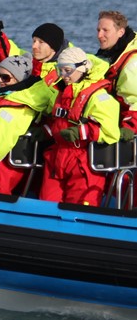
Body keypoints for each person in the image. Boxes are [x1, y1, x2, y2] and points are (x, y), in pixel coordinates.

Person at [38, 47, 120, 206]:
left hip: (83, 161)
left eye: (68, 70)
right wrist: (45, 131)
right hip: (57, 158)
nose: (64, 75)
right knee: (46, 204)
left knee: (78, 207)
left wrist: (80, 132)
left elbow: (110, 132)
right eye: (60, 70)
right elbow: (58, 120)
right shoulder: (63, 92)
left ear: (81, 69)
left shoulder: (99, 98)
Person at [0, 55, 55, 195]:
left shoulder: (11, 109)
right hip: (10, 167)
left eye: (5, 77)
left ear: (19, 79)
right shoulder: (22, 101)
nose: (0, 80)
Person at [0, 17, 68, 85]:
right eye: (34, 41)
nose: (34, 46)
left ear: (54, 47)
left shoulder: (65, 71)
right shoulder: (28, 60)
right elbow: (7, 52)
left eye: (41, 42)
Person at [94, 10, 137, 141]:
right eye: (98, 30)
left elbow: (134, 100)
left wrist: (129, 127)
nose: (99, 35)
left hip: (126, 128)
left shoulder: (131, 64)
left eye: (105, 30)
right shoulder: (109, 53)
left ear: (121, 32)